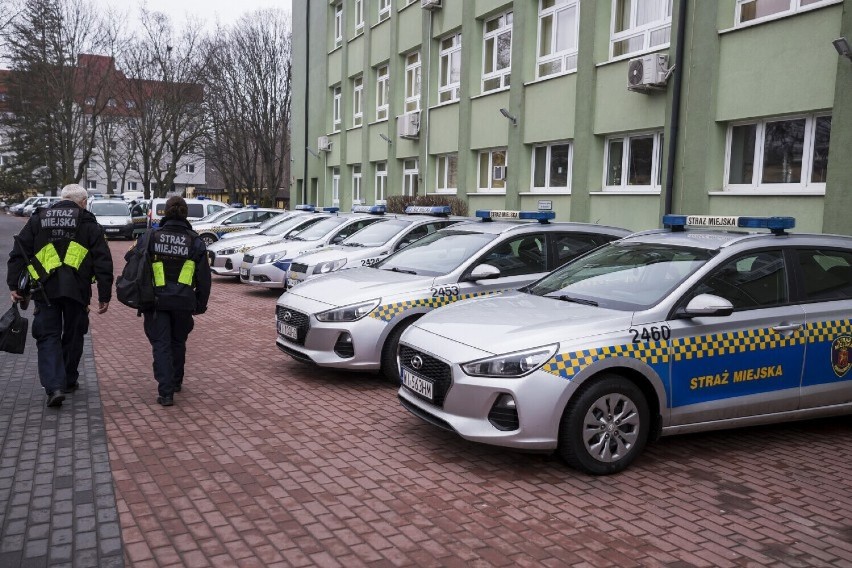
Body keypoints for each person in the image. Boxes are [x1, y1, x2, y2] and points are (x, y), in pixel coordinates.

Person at [7, 184, 113, 407]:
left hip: (44, 289)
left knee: (48, 336)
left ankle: (54, 386)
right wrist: (104, 294)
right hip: (78, 289)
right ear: (82, 202)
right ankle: (69, 379)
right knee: (74, 334)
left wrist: (14, 285)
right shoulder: (87, 222)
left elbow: (19, 252)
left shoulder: (38, 218)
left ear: (61, 199)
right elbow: (102, 260)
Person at [137, 196, 210, 406]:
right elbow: (204, 278)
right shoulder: (195, 241)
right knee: (178, 342)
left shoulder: (151, 237)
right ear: (185, 214)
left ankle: (166, 392)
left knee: (161, 345)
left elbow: (134, 264)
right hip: (184, 301)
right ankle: (176, 381)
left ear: (165, 213)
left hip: (156, 300)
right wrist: (201, 304)